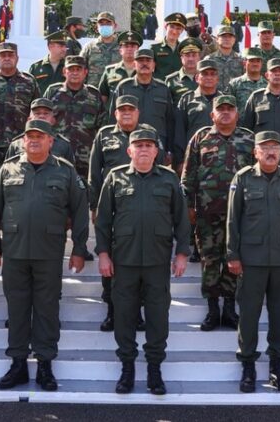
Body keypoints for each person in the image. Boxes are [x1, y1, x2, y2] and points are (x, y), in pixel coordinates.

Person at [0, 120, 88, 392]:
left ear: (51, 141)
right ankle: (18, 363)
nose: (33, 140)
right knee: (17, 308)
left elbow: (79, 211)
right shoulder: (7, 169)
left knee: (47, 308)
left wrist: (79, 249)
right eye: (29, 136)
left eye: (39, 137)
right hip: (15, 252)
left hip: (49, 252)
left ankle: (44, 364)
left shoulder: (64, 171)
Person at [95, 126, 190, 395]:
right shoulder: (115, 178)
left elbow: (181, 219)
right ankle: (127, 369)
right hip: (123, 261)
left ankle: (154, 370)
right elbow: (103, 221)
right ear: (130, 151)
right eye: (140, 145)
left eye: (149, 145)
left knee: (158, 316)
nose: (145, 149)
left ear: (156, 151)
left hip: (158, 261)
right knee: (124, 315)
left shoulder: (169, 179)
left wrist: (182, 253)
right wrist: (103, 253)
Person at [227, 131, 280, 394]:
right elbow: (233, 220)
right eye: (265, 147)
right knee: (249, 314)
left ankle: (277, 366)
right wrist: (233, 255)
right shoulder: (244, 178)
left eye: (275, 146)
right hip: (251, 260)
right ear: (256, 152)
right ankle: (248, 365)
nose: (270, 151)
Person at [181, 94, 253, 332]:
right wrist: (189, 205)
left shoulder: (248, 138)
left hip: (240, 213)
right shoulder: (201, 137)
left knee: (234, 260)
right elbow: (188, 174)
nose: (225, 113)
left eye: (229, 109)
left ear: (237, 113)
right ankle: (213, 309)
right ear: (212, 114)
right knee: (210, 260)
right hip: (207, 211)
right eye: (220, 109)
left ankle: (230, 308)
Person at [88, 96, 160, 331]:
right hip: (112, 205)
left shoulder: (148, 134)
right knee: (109, 259)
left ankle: (137, 312)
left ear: (138, 112)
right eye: (122, 110)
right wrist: (95, 205)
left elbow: (157, 166)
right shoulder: (104, 134)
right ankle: (112, 311)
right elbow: (94, 172)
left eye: (131, 109)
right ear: (115, 113)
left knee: (138, 260)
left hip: (141, 204)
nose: (127, 113)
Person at [108, 48, 176, 164]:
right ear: (134, 64)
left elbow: (170, 121)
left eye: (148, 61)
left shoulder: (163, 88)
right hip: (129, 145)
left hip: (157, 144)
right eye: (140, 61)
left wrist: (169, 149)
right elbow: (113, 118)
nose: (144, 63)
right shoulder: (124, 87)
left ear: (153, 65)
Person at [43, 55, 105, 182]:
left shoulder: (94, 95)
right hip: (56, 156)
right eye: (71, 69)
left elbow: (101, 127)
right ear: (64, 71)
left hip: (85, 159)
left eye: (78, 69)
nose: (75, 73)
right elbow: (42, 122)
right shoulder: (53, 92)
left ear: (85, 72)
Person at [241, 58, 280, 147]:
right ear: (267, 75)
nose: (277, 74)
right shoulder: (256, 97)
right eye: (273, 71)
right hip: (262, 151)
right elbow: (247, 128)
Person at [174, 57, 221, 167]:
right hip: (193, 157)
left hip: (220, 157)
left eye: (212, 74)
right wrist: (180, 161)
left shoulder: (225, 100)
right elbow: (179, 131)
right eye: (204, 74)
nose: (209, 77)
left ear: (217, 78)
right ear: (197, 78)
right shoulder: (187, 99)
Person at [5, 98, 75, 163]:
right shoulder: (16, 144)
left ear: (53, 120)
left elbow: (70, 172)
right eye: (37, 113)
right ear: (29, 119)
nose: (41, 116)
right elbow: (8, 170)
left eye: (46, 113)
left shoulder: (64, 145)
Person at [99, 31, 142, 103]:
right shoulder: (109, 71)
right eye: (126, 46)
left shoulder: (144, 71)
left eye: (133, 46)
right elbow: (103, 96)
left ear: (138, 50)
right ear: (120, 51)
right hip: (115, 112)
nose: (129, 49)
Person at [81, 11, 121, 88]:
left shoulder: (122, 47)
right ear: (97, 26)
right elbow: (81, 69)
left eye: (108, 23)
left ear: (115, 26)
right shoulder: (89, 47)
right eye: (101, 23)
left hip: (115, 92)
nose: (105, 26)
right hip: (93, 93)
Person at [165, 37, 203, 104]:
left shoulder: (206, 77)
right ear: (181, 57)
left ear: (199, 57)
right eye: (187, 55)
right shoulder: (171, 81)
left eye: (194, 55)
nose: (191, 59)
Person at [28, 31, 68, 95]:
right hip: (42, 104)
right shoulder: (36, 67)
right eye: (61, 46)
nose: (64, 49)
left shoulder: (68, 67)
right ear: (50, 47)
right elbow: (29, 90)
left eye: (65, 46)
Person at [228, 48, 267, 113]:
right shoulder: (234, 84)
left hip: (261, 122)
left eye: (258, 61)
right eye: (251, 60)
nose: (255, 64)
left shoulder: (267, 85)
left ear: (261, 63)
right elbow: (228, 107)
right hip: (241, 123)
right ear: (244, 63)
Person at [150, 12, 186, 80]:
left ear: (182, 30)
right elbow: (149, 70)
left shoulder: (184, 49)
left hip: (178, 87)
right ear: (166, 27)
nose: (174, 31)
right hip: (160, 87)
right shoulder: (154, 48)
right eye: (172, 27)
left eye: (178, 28)